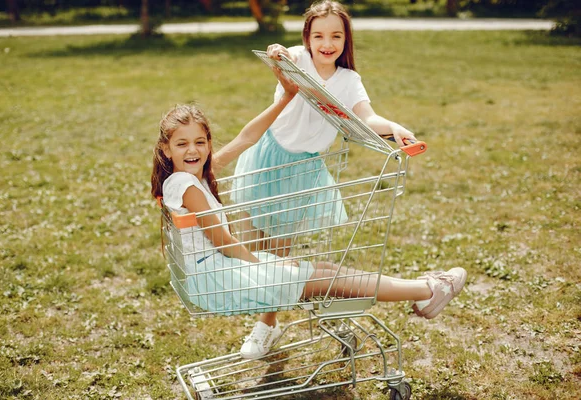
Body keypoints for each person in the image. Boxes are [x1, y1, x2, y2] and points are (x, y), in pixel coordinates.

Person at [151, 70, 468, 360]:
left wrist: (287, 97)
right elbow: (223, 241)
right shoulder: (186, 185)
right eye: (182, 144)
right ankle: (428, 289)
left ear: (207, 144)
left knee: (328, 272)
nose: (193, 150)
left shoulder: (194, 177)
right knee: (330, 278)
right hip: (219, 279)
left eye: (200, 142)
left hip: (217, 274)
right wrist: (268, 264)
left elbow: (245, 139)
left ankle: (426, 289)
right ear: (166, 149)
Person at [232, 0, 419, 259]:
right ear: (308, 38)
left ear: (346, 39)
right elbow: (288, 54)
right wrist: (279, 51)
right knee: (249, 250)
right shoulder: (299, 59)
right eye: (318, 36)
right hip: (266, 159)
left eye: (336, 36)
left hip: (301, 171)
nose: (327, 44)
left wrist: (394, 127)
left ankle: (274, 296)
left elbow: (367, 117)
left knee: (279, 255)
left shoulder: (349, 80)